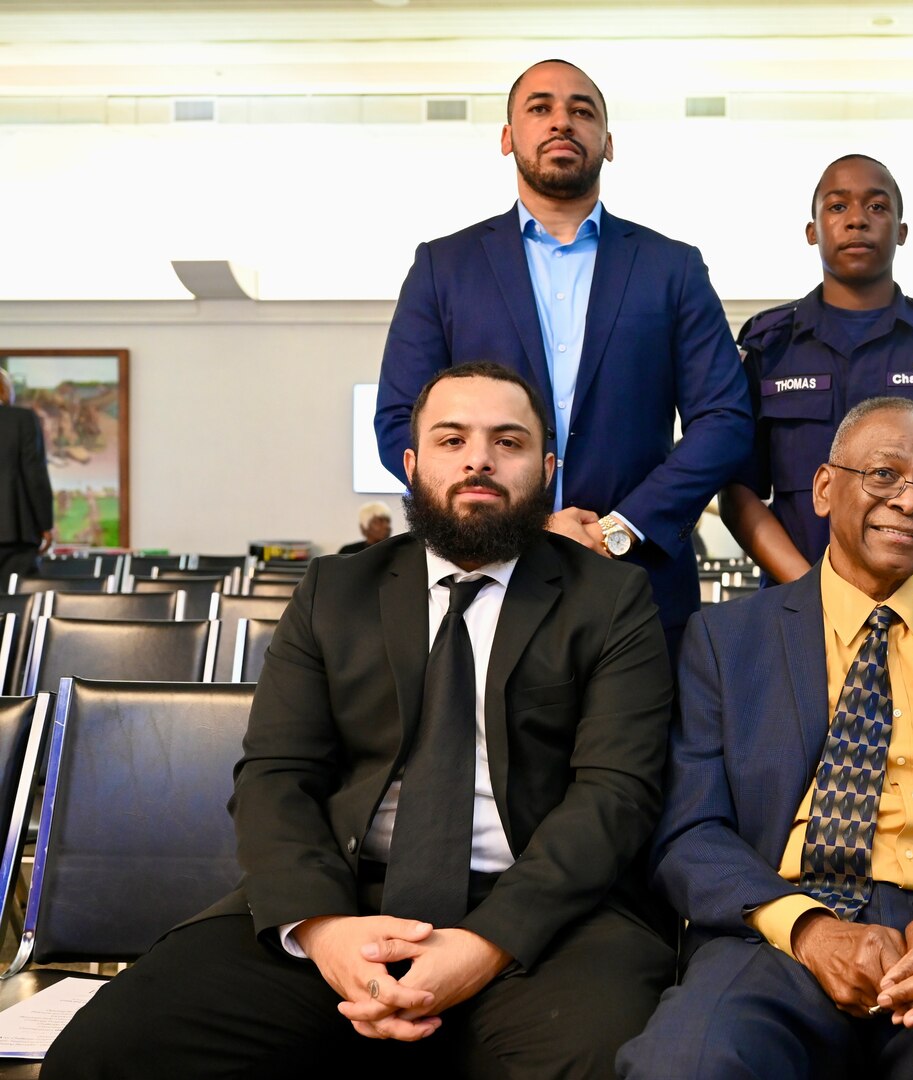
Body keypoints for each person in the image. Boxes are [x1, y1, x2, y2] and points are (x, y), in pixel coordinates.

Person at [47, 363, 676, 1079]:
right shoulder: (334, 590)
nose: (479, 458)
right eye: (451, 440)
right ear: (410, 465)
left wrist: (489, 941)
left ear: (546, 469)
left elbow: (615, 795)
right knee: (104, 1056)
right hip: (345, 896)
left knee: (596, 1063)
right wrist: (321, 932)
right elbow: (276, 776)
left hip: (546, 914)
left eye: (509, 441)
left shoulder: (609, 599)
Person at [619, 397, 913, 1079]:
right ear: (827, 488)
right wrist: (806, 928)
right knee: (684, 1064)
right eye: (884, 474)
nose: (910, 501)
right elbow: (689, 828)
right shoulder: (726, 639)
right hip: (781, 926)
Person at [374, 59, 752, 652]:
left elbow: (725, 421)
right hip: (484, 581)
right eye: (540, 108)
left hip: (637, 581)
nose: (561, 122)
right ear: (507, 138)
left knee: (638, 748)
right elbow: (400, 422)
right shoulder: (443, 268)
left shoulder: (671, 268)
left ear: (607, 142)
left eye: (582, 111)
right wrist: (519, 525)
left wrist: (617, 531)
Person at [720, 155, 913, 593]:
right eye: (837, 207)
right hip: (798, 608)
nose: (857, 220)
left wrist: (904, 587)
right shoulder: (769, 346)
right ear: (811, 231)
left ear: (901, 231)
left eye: (877, 206)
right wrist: (812, 591)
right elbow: (739, 492)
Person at [0, 370, 53, 581]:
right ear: (5, 391)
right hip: (15, 531)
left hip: (16, 534)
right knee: (17, 606)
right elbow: (34, 474)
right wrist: (45, 525)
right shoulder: (21, 419)